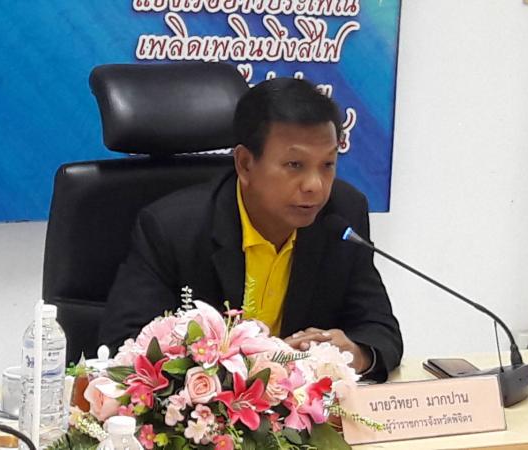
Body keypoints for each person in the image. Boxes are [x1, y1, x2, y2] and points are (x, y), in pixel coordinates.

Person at [99, 77, 402, 381]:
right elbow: (126, 347)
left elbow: (380, 330)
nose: (315, 186)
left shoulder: (341, 214)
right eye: (295, 165)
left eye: (328, 164)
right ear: (245, 164)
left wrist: (355, 353)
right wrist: (256, 364)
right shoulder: (173, 229)